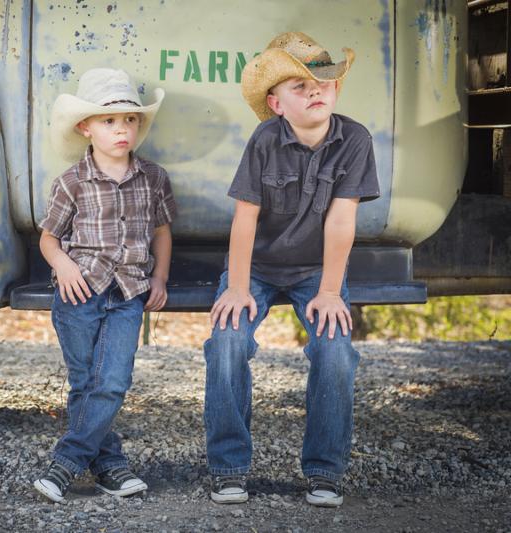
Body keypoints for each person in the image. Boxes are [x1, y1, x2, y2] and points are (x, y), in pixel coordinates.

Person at [204, 32, 380, 507]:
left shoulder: (355, 140)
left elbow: (343, 221)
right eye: (299, 87)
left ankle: (324, 471)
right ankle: (229, 467)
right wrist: (238, 286)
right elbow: (245, 219)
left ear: (336, 91)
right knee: (226, 341)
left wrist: (329, 291)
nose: (315, 91)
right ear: (276, 103)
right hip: (256, 267)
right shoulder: (264, 140)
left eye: (323, 81)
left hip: (315, 271)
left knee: (335, 351)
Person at [33, 68, 177, 503]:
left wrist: (161, 277)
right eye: (110, 121)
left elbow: (162, 232)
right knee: (84, 383)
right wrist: (63, 266)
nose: (122, 129)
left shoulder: (153, 178)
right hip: (79, 293)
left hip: (128, 293)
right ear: (86, 128)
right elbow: (49, 238)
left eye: (130, 120)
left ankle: (65, 465)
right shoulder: (71, 183)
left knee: (112, 381)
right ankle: (110, 466)